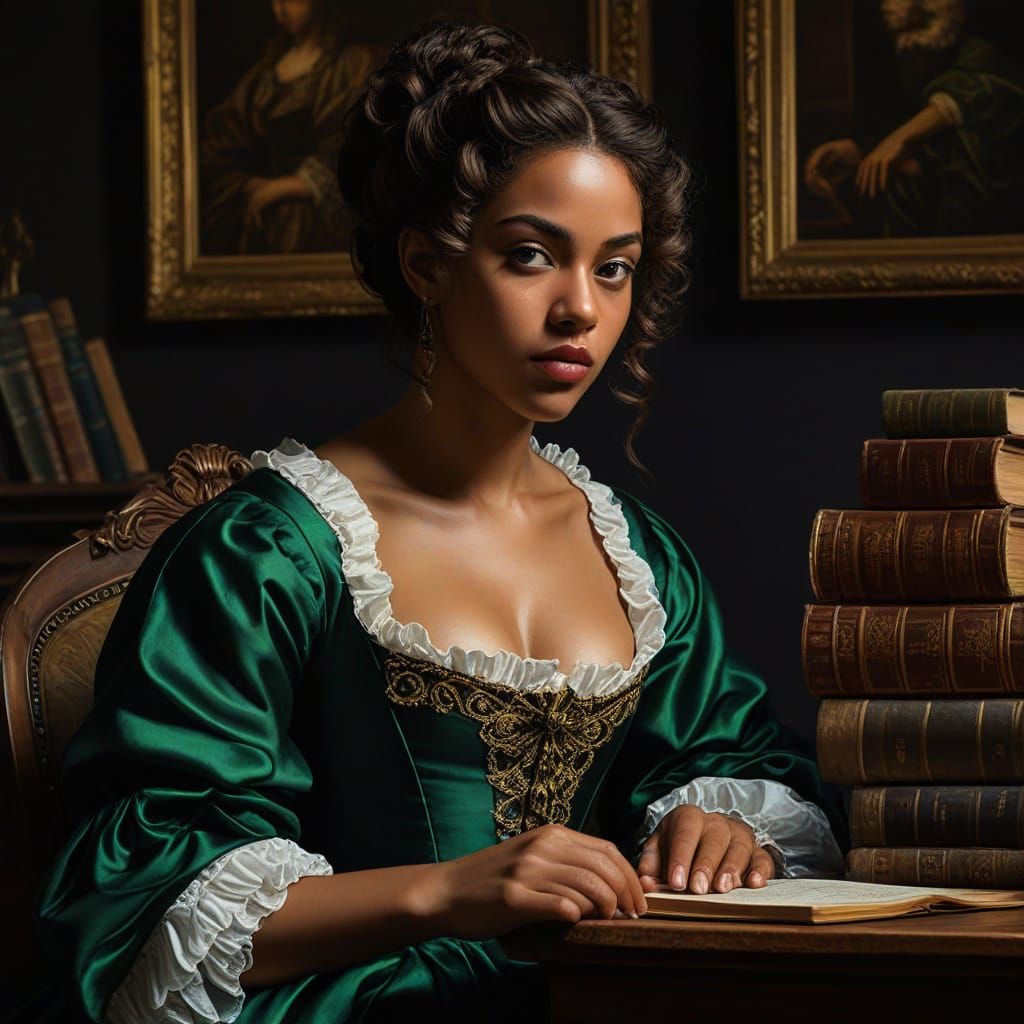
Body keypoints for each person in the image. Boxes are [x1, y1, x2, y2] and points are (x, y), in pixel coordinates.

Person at [37, 19, 845, 1024]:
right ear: (426, 263)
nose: (579, 312)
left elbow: (722, 749)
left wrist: (712, 820)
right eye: (530, 256)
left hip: (604, 991)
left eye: (612, 267)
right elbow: (148, 893)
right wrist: (445, 891)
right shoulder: (267, 553)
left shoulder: (637, 553)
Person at [803, 0, 1024, 237]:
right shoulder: (904, 54)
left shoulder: (983, 49)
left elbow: (980, 94)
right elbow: (902, 137)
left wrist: (903, 139)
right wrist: (860, 151)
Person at [200, 0, 383, 255]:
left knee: (291, 218)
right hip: (266, 211)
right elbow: (224, 138)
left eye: (289, 0)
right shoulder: (265, 73)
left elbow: (362, 144)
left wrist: (295, 185)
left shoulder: (354, 64)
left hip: (322, 216)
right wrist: (247, 183)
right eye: (274, 1)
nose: (280, 9)